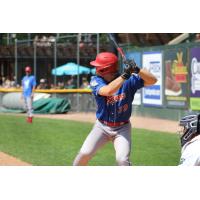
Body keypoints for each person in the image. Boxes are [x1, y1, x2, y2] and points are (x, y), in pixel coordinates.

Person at [73, 52, 157, 166]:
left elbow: (153, 80)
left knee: (122, 160)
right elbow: (107, 91)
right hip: (102, 127)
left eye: (99, 67)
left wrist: (137, 69)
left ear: (106, 69)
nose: (96, 69)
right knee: (84, 153)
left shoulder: (129, 81)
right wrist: (125, 76)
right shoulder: (96, 80)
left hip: (122, 128)